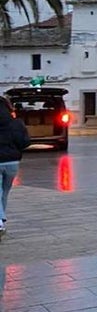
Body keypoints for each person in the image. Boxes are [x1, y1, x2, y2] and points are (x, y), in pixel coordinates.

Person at [0, 95, 31, 239]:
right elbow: (24, 142)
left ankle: (0, 221)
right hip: (12, 163)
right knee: (4, 192)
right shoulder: (16, 123)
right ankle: (1, 219)